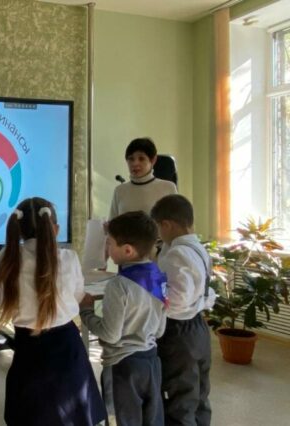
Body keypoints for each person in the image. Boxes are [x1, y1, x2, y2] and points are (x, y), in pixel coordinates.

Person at [0, 197, 107, 426]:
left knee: (32, 415)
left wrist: (13, 297)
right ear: (55, 229)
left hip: (29, 349)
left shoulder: (9, 257)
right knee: (74, 415)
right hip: (67, 348)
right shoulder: (68, 258)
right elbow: (77, 296)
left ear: (19, 230)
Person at [80, 211, 167, 426]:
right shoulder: (158, 276)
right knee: (152, 419)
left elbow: (110, 335)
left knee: (120, 420)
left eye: (109, 243)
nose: (106, 249)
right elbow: (160, 330)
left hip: (122, 366)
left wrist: (86, 312)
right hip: (151, 360)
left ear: (127, 250)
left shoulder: (118, 286)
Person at [151, 194, 215, 426]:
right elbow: (206, 291)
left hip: (178, 332)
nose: (159, 233)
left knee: (178, 396)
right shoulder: (198, 248)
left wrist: (150, 289)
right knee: (199, 392)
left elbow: (176, 300)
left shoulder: (176, 254)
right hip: (198, 328)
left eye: (159, 227)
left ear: (166, 224)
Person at [109, 137, 177, 219]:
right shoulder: (119, 191)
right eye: (131, 159)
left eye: (141, 159)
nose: (135, 163)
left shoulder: (168, 188)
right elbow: (112, 223)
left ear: (153, 160)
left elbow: (175, 224)